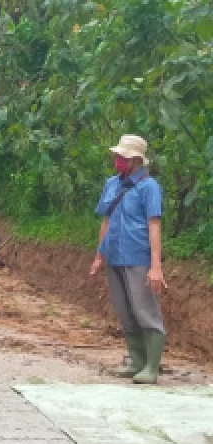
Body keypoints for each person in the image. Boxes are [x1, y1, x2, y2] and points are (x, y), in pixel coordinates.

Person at [90, 134, 167, 384]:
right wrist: (99, 255)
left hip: (138, 256)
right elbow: (106, 220)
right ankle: (136, 360)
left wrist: (155, 266)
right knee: (125, 310)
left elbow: (153, 225)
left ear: (135, 160)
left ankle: (152, 367)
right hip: (114, 255)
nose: (117, 160)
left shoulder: (149, 187)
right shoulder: (112, 184)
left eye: (121, 157)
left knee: (144, 310)